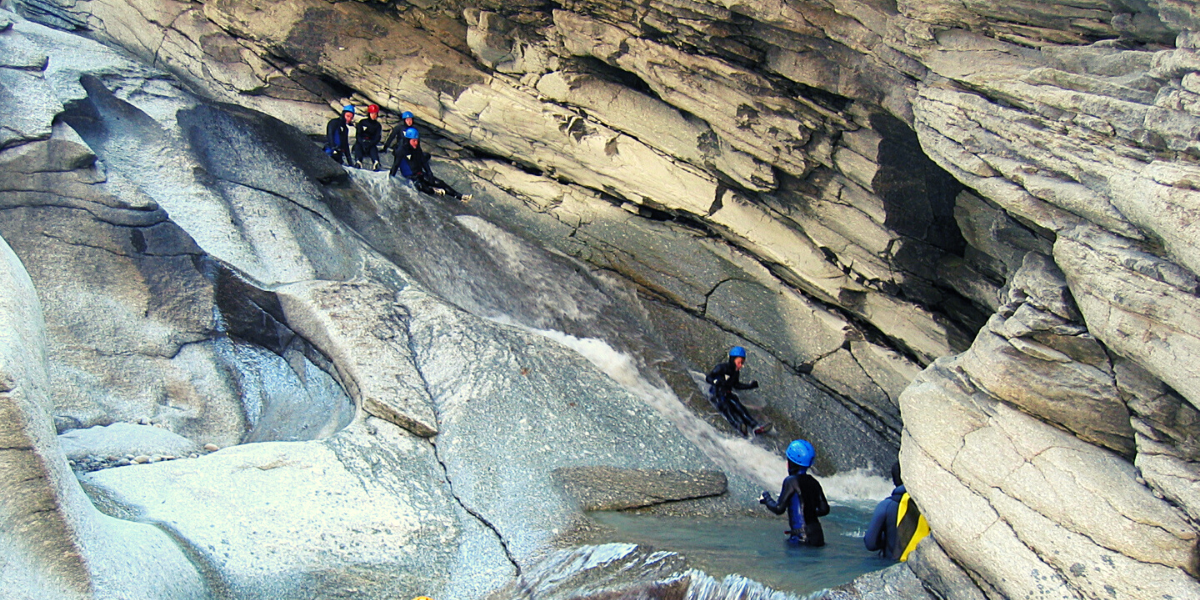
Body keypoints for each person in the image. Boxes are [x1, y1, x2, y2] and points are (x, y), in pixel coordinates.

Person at [760, 439, 830, 546]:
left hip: (801, 537)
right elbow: (824, 509)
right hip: (818, 535)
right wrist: (808, 510)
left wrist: (766, 498)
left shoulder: (790, 481)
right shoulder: (814, 481)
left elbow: (779, 508)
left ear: (791, 462)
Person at [865, 461, 929, 561]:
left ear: (894, 480)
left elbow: (870, 543)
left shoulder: (886, 505)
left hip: (893, 562)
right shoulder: (929, 503)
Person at [388, 127, 471, 201]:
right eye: (413, 141)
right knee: (421, 186)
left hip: (419, 173)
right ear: (408, 140)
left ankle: (459, 196)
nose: (416, 143)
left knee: (439, 182)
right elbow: (395, 165)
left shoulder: (417, 149)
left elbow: (423, 161)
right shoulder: (401, 150)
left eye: (417, 140)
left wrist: (429, 173)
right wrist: (390, 180)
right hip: (410, 177)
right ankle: (433, 190)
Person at [705, 346, 769, 436]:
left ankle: (755, 426)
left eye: (742, 363)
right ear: (732, 360)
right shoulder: (721, 368)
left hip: (728, 394)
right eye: (739, 362)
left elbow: (736, 385)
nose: (741, 365)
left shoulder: (735, 372)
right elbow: (708, 377)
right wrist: (715, 381)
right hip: (717, 394)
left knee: (740, 408)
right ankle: (738, 425)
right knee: (727, 409)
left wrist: (749, 386)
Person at [352, 104, 383, 170]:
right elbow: (358, 134)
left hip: (371, 143)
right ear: (369, 113)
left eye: (375, 114)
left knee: (373, 149)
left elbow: (377, 137)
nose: (373, 115)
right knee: (358, 146)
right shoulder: (362, 122)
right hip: (361, 142)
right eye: (372, 113)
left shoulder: (377, 125)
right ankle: (358, 161)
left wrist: (370, 143)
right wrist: (362, 141)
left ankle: (376, 162)